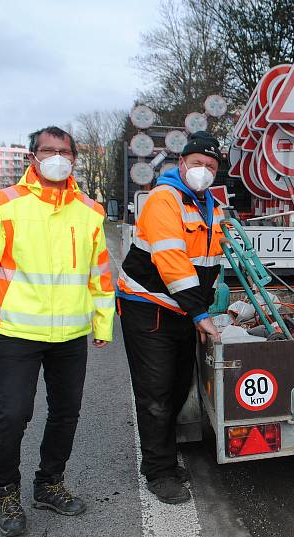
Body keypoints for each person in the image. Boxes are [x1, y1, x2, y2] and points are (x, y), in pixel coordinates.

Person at [0, 126, 114, 537]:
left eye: (64, 151)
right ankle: (5, 492)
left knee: (66, 413)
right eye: (48, 150)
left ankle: (49, 484)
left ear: (74, 158)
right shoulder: (2, 205)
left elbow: (100, 275)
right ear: (33, 158)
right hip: (18, 332)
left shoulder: (90, 211)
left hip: (71, 336)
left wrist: (102, 323)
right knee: (11, 415)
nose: (57, 157)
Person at [117, 131, 224, 504]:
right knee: (156, 394)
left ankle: (163, 456)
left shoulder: (211, 205)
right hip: (148, 307)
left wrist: (209, 305)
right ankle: (159, 471)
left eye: (211, 166)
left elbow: (209, 262)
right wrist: (200, 313)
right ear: (182, 164)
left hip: (182, 309)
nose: (203, 170)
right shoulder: (165, 199)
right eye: (197, 163)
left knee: (179, 387)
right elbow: (172, 261)